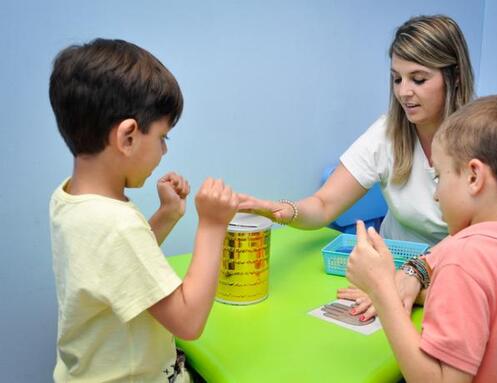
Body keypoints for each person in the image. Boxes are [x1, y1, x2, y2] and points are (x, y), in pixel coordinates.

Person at [49, 38, 238, 382]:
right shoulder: (116, 223)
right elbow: (189, 321)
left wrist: (166, 215)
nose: (164, 151)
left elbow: (115, 264)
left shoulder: (69, 198)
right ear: (128, 137)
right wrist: (212, 226)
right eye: (164, 137)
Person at [346, 95, 497, 382]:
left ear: (474, 177)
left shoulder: (463, 263)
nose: (436, 194)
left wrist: (382, 291)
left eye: (439, 178)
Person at [238, 14, 474, 246]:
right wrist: (286, 210)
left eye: (418, 79)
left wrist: (418, 274)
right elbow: (323, 205)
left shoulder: (484, 139)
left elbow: (488, 241)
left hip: (453, 273)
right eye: (397, 79)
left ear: (454, 77)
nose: (403, 92)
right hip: (389, 266)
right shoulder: (387, 132)